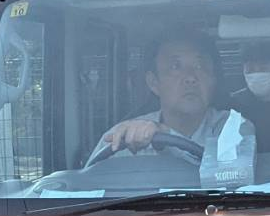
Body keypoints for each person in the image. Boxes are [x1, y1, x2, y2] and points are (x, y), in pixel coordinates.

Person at [89, 30, 229, 160]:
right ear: (153, 83)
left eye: (199, 66)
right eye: (175, 67)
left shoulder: (233, 128)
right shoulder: (122, 138)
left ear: (213, 79)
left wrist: (167, 135)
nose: (190, 78)